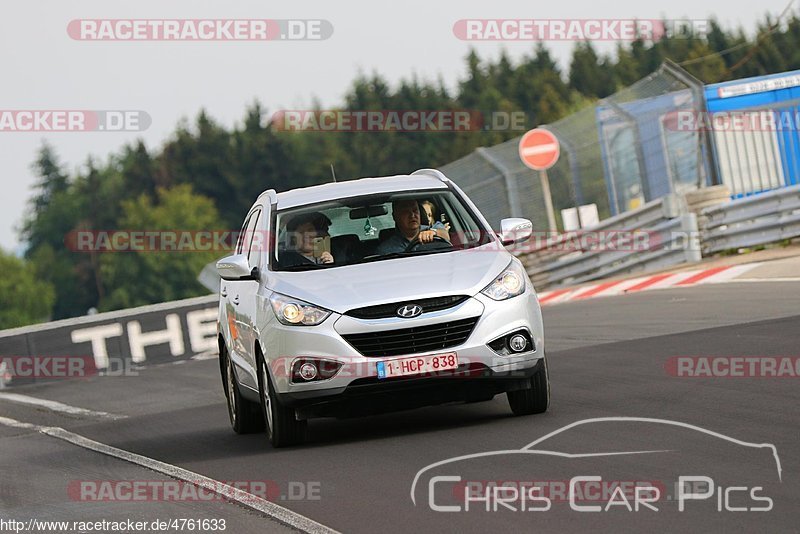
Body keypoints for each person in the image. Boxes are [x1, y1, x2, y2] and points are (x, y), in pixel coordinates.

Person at [376, 199, 450, 255]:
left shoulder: (432, 229)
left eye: (415, 210)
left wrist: (434, 233)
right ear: (395, 216)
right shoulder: (385, 250)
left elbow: (445, 235)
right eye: (406, 211)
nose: (412, 215)